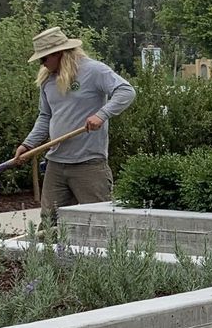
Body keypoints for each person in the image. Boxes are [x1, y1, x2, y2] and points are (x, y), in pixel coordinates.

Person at [15, 26, 136, 220]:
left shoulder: (94, 70)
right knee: (50, 224)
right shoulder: (48, 80)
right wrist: (28, 144)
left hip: (89, 164)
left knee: (100, 221)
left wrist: (101, 115)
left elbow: (126, 91)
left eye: (44, 58)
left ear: (59, 53)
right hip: (56, 163)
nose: (42, 64)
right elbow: (45, 116)